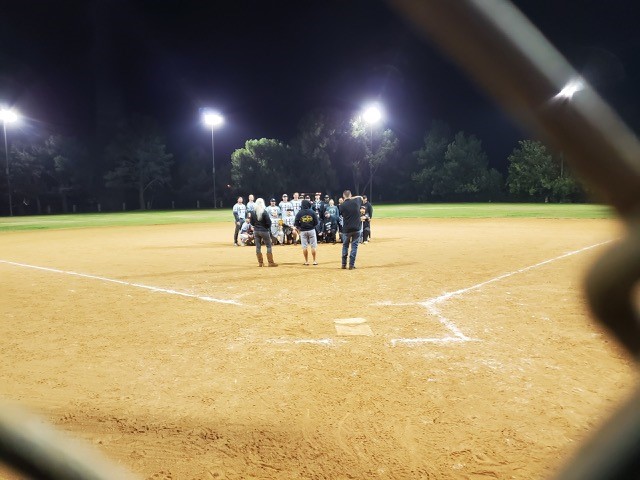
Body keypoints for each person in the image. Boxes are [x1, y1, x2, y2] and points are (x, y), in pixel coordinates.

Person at [338, 189, 363, 269]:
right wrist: (352, 197)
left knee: (345, 246)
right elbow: (361, 197)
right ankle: (351, 265)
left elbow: (341, 214)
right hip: (356, 228)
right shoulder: (357, 201)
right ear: (351, 195)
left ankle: (343, 264)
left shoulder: (342, 205)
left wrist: (347, 199)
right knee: (354, 247)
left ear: (343, 196)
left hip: (346, 229)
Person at [249, 198, 278, 267]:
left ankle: (260, 263)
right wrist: (266, 227)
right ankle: (270, 262)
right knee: (268, 246)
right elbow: (269, 222)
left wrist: (256, 226)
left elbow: (252, 223)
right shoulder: (264, 212)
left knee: (258, 247)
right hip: (264, 231)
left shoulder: (253, 212)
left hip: (256, 231)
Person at [294, 199, 319, 266]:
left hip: (303, 231)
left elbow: (296, 223)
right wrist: (312, 226)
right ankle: (314, 261)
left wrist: (300, 227)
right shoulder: (312, 212)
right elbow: (316, 222)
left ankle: (306, 261)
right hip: (311, 230)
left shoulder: (299, 213)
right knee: (313, 246)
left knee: (304, 247)